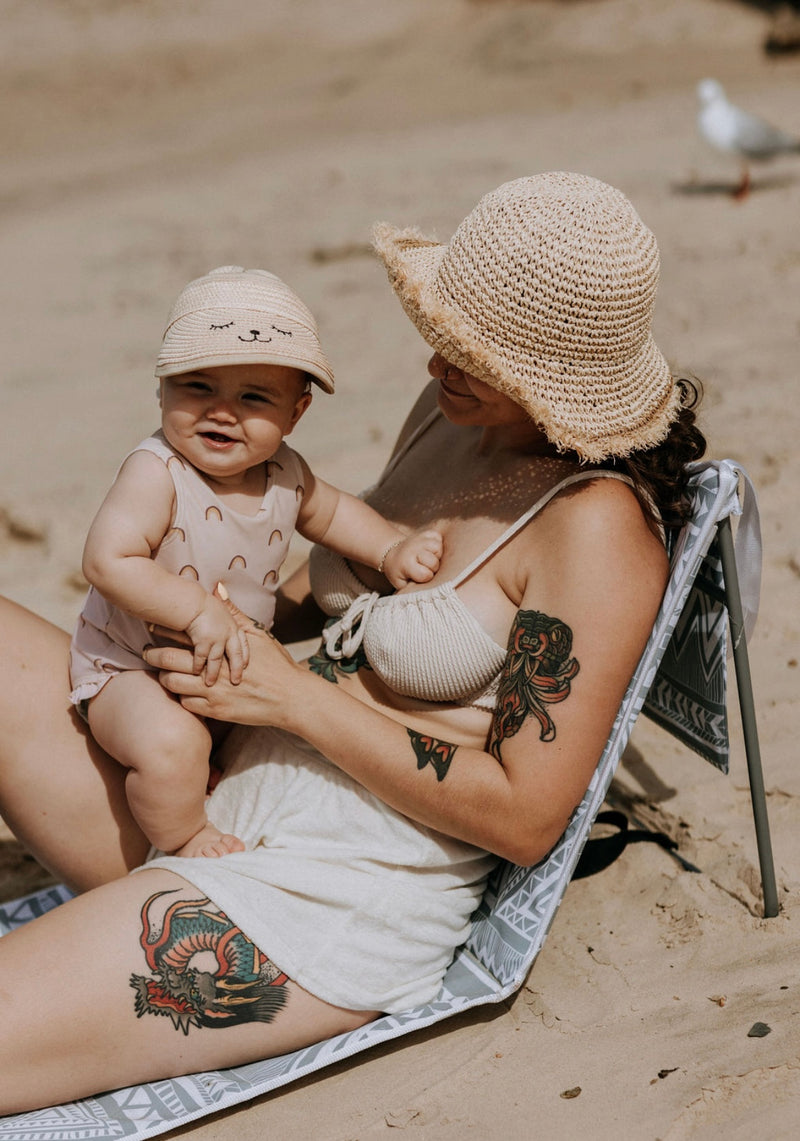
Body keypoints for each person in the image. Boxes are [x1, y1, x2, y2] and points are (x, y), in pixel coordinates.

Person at [0, 171, 705, 1115]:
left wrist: (290, 697)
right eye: (441, 334)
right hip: (207, 780)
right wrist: (205, 610)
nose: (433, 365)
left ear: (548, 372)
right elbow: (324, 577)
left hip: (327, 891)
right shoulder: (452, 419)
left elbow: (526, 814)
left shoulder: (595, 530)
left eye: (470, 352)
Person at [69, 265, 443, 859]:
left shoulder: (284, 472)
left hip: (225, 660)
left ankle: (204, 782)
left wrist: (388, 549)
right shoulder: (156, 471)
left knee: (251, 738)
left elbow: (334, 513)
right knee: (171, 747)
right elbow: (108, 561)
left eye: (253, 397)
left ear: (296, 414)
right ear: (161, 388)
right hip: (130, 668)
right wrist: (195, 612)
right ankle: (182, 840)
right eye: (198, 387)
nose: (222, 411)